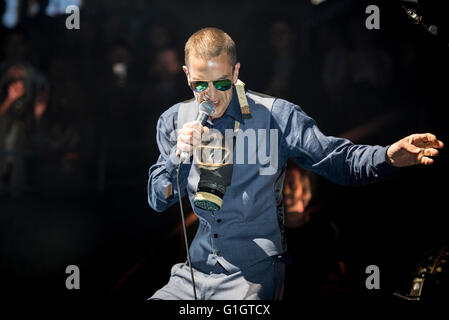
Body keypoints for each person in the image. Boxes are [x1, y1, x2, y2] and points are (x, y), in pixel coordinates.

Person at [147, 27, 444, 300]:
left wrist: (387, 155)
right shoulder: (174, 120)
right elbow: (158, 200)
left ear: (236, 72)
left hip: (251, 276)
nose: (211, 95)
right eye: (200, 85)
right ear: (187, 75)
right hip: (194, 273)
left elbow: (337, 160)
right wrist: (178, 156)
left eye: (222, 83)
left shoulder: (276, 115)